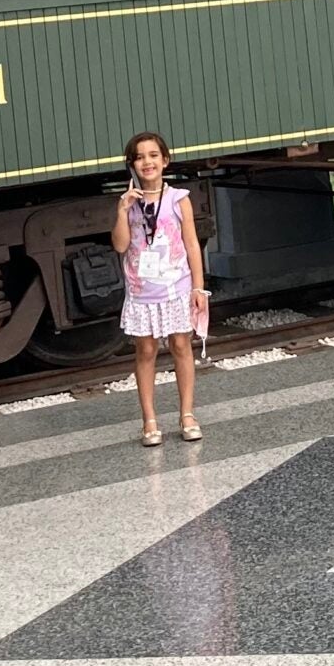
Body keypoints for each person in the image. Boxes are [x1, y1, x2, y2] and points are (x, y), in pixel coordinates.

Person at [110, 130, 207, 446]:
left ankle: (187, 413)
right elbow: (121, 245)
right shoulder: (129, 204)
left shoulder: (179, 198)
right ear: (132, 166)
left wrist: (198, 286)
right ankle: (149, 420)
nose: (146, 162)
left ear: (164, 160)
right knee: (146, 350)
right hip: (142, 292)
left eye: (153, 155)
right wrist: (123, 211)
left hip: (175, 288)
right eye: (139, 157)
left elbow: (191, 243)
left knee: (181, 345)